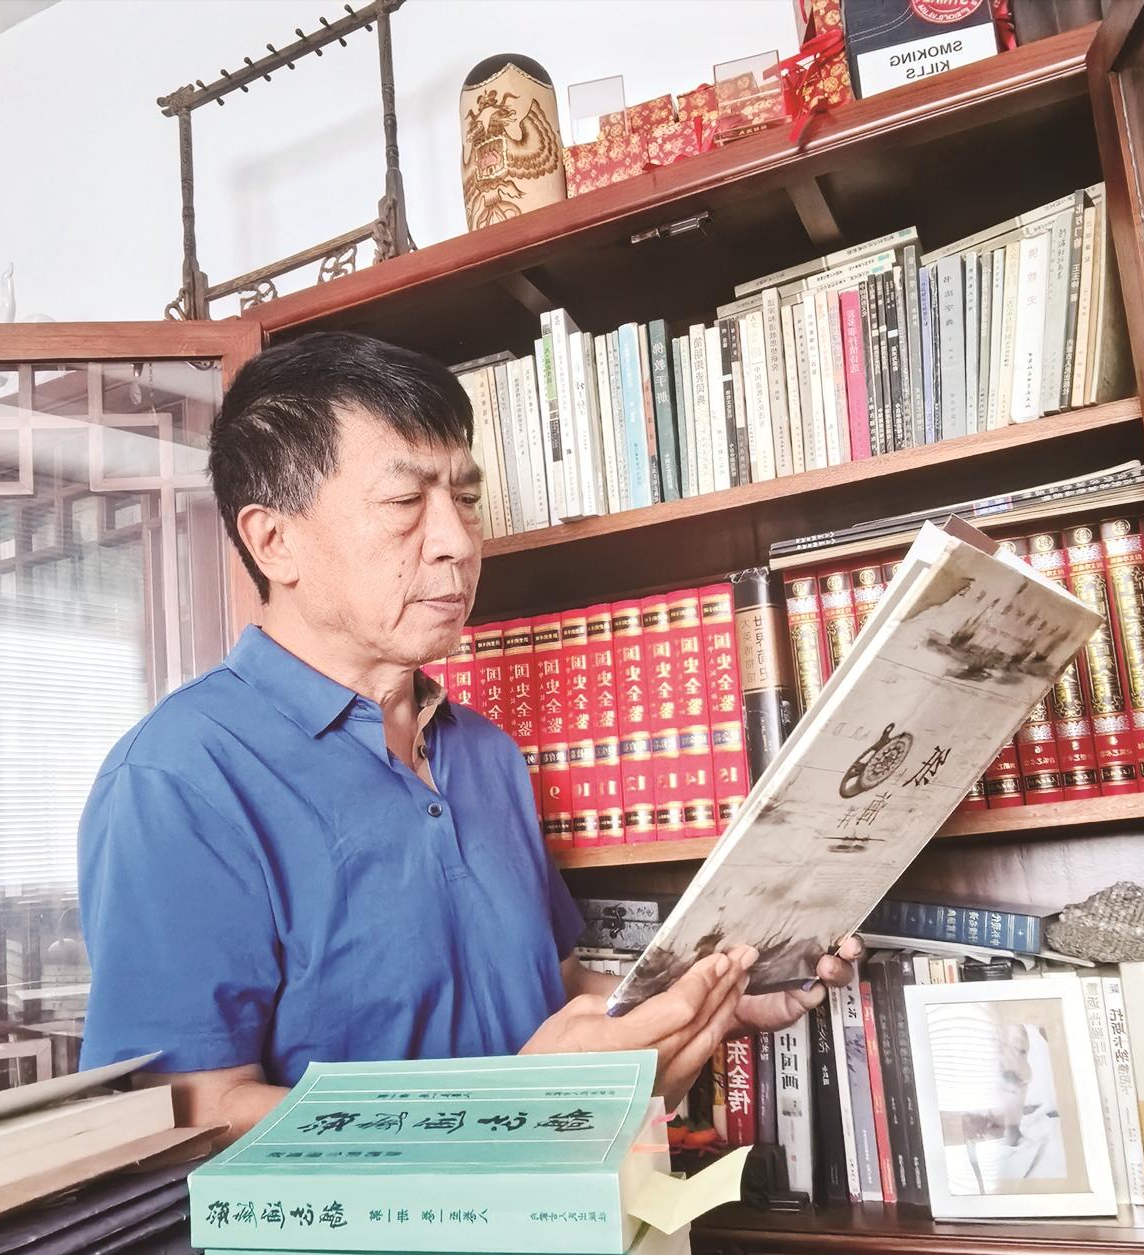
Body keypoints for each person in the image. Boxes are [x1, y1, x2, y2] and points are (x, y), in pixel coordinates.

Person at [77, 331, 860, 1141]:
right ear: (275, 541)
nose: (457, 540)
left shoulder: (488, 754)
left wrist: (721, 992)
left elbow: (553, 997)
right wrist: (509, 1109)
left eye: (466, 497)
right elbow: (194, 1117)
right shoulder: (177, 778)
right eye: (405, 502)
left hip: (583, 1205)